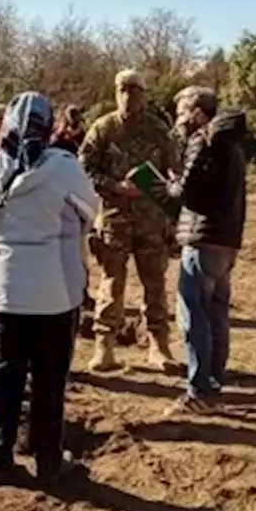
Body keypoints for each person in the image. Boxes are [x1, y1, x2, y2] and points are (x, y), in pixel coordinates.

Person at [0, 92, 99, 485]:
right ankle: (49, 461)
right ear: (47, 128)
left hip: (3, 288)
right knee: (49, 379)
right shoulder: (64, 168)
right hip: (53, 289)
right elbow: (89, 212)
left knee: (5, 372)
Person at [78, 69, 182, 372]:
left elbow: (175, 171)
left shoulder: (158, 130)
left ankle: (159, 346)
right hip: (114, 219)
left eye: (135, 90)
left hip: (152, 221)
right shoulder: (103, 128)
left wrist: (166, 197)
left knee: (155, 284)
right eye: (123, 89)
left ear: (144, 94)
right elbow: (84, 169)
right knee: (112, 284)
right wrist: (115, 186)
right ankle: (104, 347)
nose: (128, 96)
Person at [160, 87, 247, 413]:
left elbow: (188, 192)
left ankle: (199, 391)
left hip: (201, 238)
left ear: (198, 112)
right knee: (216, 314)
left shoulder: (203, 140)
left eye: (182, 111)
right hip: (225, 240)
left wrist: (170, 184)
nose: (179, 119)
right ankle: (213, 381)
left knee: (193, 315)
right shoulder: (233, 146)